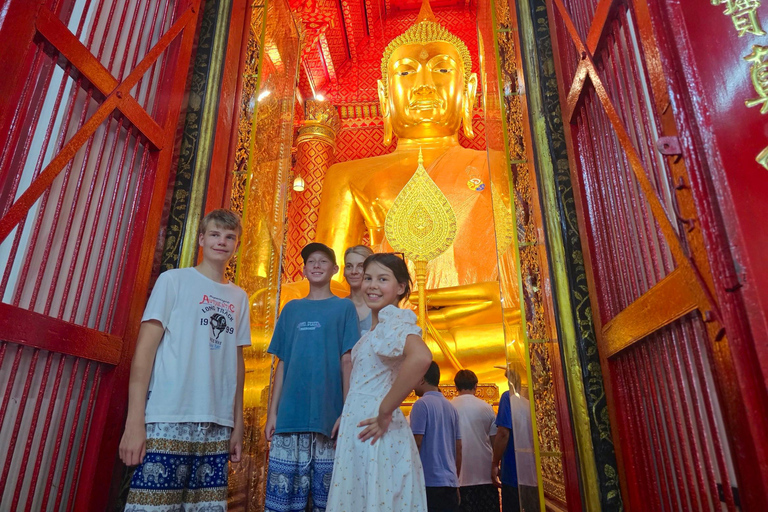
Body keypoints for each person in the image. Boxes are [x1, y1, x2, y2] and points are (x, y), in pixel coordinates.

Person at [119, 209, 251, 511]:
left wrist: (237, 424)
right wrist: (134, 421)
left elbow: (236, 364)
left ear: (237, 245)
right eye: (215, 235)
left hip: (217, 423)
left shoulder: (238, 297)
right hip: (168, 416)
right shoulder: (173, 281)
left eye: (230, 237)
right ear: (202, 239)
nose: (222, 242)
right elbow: (145, 352)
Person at [326, 253, 433, 511]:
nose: (372, 285)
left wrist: (385, 409)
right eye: (368, 278)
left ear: (400, 288)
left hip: (376, 432)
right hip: (363, 428)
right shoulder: (375, 330)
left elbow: (421, 356)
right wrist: (348, 413)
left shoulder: (393, 322)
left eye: (382, 279)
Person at [263, 242, 360, 512]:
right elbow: (282, 363)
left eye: (323, 261)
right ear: (304, 269)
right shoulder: (291, 309)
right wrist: (272, 414)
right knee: (283, 501)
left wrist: (347, 412)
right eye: (311, 262)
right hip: (289, 418)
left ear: (335, 269)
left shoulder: (344, 309)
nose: (316, 266)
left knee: (327, 502)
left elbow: (347, 360)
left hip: (328, 418)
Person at [412, 362, 462, 512]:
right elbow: (458, 447)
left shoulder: (421, 405)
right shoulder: (451, 407)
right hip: (450, 483)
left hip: (429, 483)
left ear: (422, 379)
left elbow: (417, 443)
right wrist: (456, 480)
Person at [451, 369, 500, 512]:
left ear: (456, 387)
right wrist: (495, 465)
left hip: (458, 476)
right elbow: (494, 441)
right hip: (484, 473)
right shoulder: (486, 408)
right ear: (476, 386)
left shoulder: (449, 407)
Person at [343, 244, 374, 335]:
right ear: (344, 271)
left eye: (360, 266)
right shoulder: (339, 307)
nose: (354, 272)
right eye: (349, 266)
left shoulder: (381, 307)